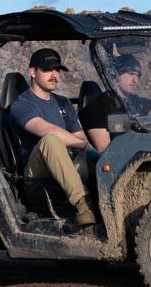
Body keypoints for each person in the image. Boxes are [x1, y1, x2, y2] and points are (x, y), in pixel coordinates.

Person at [9, 48, 96, 227]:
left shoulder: (64, 103)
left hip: (67, 163)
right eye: (48, 70)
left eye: (57, 70)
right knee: (51, 140)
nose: (54, 75)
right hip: (36, 173)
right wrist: (85, 146)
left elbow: (80, 137)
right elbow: (45, 129)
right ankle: (83, 203)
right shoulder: (21, 105)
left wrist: (92, 152)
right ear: (33, 72)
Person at [79, 54, 151, 152]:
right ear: (115, 75)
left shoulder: (141, 103)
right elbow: (106, 152)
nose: (135, 80)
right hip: (123, 161)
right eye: (131, 74)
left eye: (138, 75)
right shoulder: (95, 109)